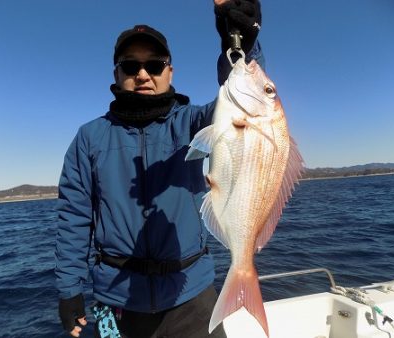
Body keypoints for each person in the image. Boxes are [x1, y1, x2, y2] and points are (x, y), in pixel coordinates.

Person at [55, 1, 264, 337]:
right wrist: (69, 289)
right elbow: (74, 217)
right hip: (116, 301)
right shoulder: (89, 138)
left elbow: (246, 101)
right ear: (116, 74)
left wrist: (239, 40)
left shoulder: (192, 123)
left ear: (170, 72)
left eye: (154, 65)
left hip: (192, 295)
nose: (142, 75)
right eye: (130, 66)